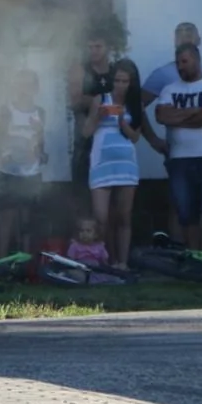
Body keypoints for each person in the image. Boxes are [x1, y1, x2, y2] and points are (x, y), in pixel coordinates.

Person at [81, 58, 144, 267]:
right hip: (102, 163)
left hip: (126, 164)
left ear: (131, 83)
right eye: (117, 80)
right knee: (101, 218)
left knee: (124, 216)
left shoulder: (135, 104)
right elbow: (86, 132)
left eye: (125, 81)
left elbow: (135, 137)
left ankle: (122, 263)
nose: (120, 85)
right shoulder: (100, 99)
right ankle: (107, 261)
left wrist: (122, 121)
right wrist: (98, 116)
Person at [0, 68, 47, 258]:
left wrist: (41, 153)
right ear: (15, 87)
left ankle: (25, 262)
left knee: (27, 220)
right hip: (7, 172)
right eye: (20, 84)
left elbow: (39, 142)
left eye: (29, 84)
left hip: (31, 172)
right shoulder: (4, 111)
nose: (24, 89)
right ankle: (2, 262)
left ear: (36, 88)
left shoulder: (40, 112)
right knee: (5, 219)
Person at [153, 43, 202, 251]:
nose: (180, 67)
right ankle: (194, 257)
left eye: (184, 62)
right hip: (179, 159)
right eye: (178, 63)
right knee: (187, 214)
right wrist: (196, 111)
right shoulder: (170, 89)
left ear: (196, 59)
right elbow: (162, 116)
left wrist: (178, 118)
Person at [68, 32, 116, 197]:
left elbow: (124, 102)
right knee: (83, 177)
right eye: (90, 47)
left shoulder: (116, 71)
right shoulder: (80, 70)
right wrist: (102, 102)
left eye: (98, 47)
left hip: (111, 133)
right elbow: (75, 100)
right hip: (86, 132)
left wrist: (102, 103)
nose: (93, 51)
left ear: (108, 48)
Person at [61, 217, 118, 285]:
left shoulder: (100, 247)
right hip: (80, 269)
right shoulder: (75, 246)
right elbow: (70, 261)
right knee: (79, 276)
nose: (84, 233)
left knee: (109, 276)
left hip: (95, 270)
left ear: (96, 235)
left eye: (88, 231)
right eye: (82, 231)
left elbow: (104, 262)